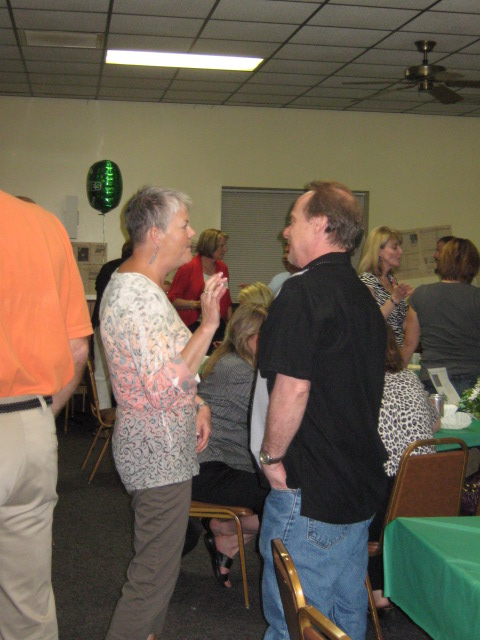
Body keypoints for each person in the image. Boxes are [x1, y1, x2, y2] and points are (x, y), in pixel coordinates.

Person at [252, 181, 388, 640]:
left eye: (292, 221)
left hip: (311, 492)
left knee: (297, 625)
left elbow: (293, 389)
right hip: (357, 488)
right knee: (343, 622)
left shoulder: (301, 293)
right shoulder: (364, 299)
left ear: (321, 225)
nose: (285, 231)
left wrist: (271, 457)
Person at [100, 186, 227, 640]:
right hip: (155, 453)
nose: (192, 233)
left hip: (163, 449)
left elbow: (168, 371)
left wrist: (198, 403)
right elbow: (159, 386)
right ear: (155, 234)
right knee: (151, 577)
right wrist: (208, 325)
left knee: (160, 574)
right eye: (184, 225)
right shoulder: (135, 296)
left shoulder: (146, 289)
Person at [0, 191, 92, 640]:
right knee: (28, 606)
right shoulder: (44, 224)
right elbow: (77, 348)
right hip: (32, 427)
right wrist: (40, 416)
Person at [192, 303, 270, 589]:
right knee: (282, 500)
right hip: (206, 469)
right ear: (249, 336)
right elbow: (271, 417)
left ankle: (225, 534)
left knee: (282, 496)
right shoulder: (237, 370)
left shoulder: (232, 362)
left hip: (218, 465)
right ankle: (224, 529)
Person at [369, 325, 439, 611]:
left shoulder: (364, 385)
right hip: (426, 490)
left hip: (387, 498)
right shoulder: (410, 379)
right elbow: (434, 422)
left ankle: (376, 588)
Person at [402, 237, 480, 396]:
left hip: (434, 379)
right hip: (472, 381)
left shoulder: (421, 294)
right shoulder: (476, 297)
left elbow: (409, 344)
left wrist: (395, 376)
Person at [168, 228, 233, 341]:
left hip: (218, 326)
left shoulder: (222, 267)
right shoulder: (188, 267)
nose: (225, 249)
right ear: (210, 246)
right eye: (222, 246)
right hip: (193, 326)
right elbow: (173, 300)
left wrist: (231, 327)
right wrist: (197, 304)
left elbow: (227, 300)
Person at [91, 239, 132, 409]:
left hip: (101, 324)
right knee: (125, 373)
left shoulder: (107, 267)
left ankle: (104, 413)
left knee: (101, 374)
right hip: (123, 329)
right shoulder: (134, 270)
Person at [358, 226, 414, 347]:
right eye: (395, 248)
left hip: (396, 352)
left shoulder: (391, 280)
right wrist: (395, 299)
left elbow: (401, 324)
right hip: (378, 351)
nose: (401, 251)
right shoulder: (365, 281)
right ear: (378, 251)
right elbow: (371, 322)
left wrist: (416, 303)